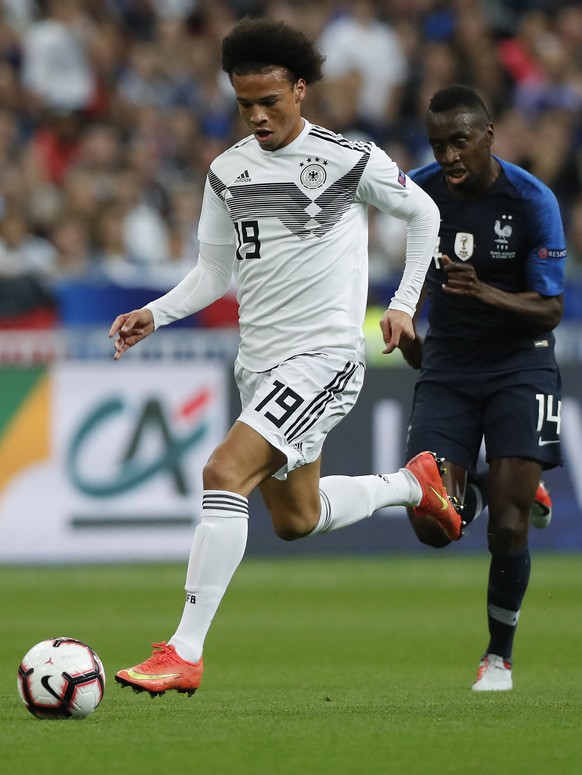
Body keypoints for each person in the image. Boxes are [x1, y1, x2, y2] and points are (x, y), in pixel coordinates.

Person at [108, 17, 463, 698]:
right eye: (245, 104)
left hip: (325, 357)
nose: (258, 116)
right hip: (260, 364)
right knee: (296, 519)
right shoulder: (226, 171)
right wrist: (156, 312)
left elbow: (423, 215)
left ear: (301, 89)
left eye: (270, 100)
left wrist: (404, 303)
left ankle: (184, 649)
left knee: (223, 469)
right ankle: (413, 483)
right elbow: (214, 274)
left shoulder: (346, 159)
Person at [401, 84, 565, 691]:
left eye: (459, 142)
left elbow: (550, 309)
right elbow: (413, 271)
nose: (448, 156)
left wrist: (484, 292)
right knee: (433, 525)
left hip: (520, 363)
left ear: (488, 135)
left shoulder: (531, 200)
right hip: (447, 365)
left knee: (509, 526)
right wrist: (409, 327)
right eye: (438, 144)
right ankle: (504, 485)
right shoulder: (417, 190)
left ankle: (498, 656)